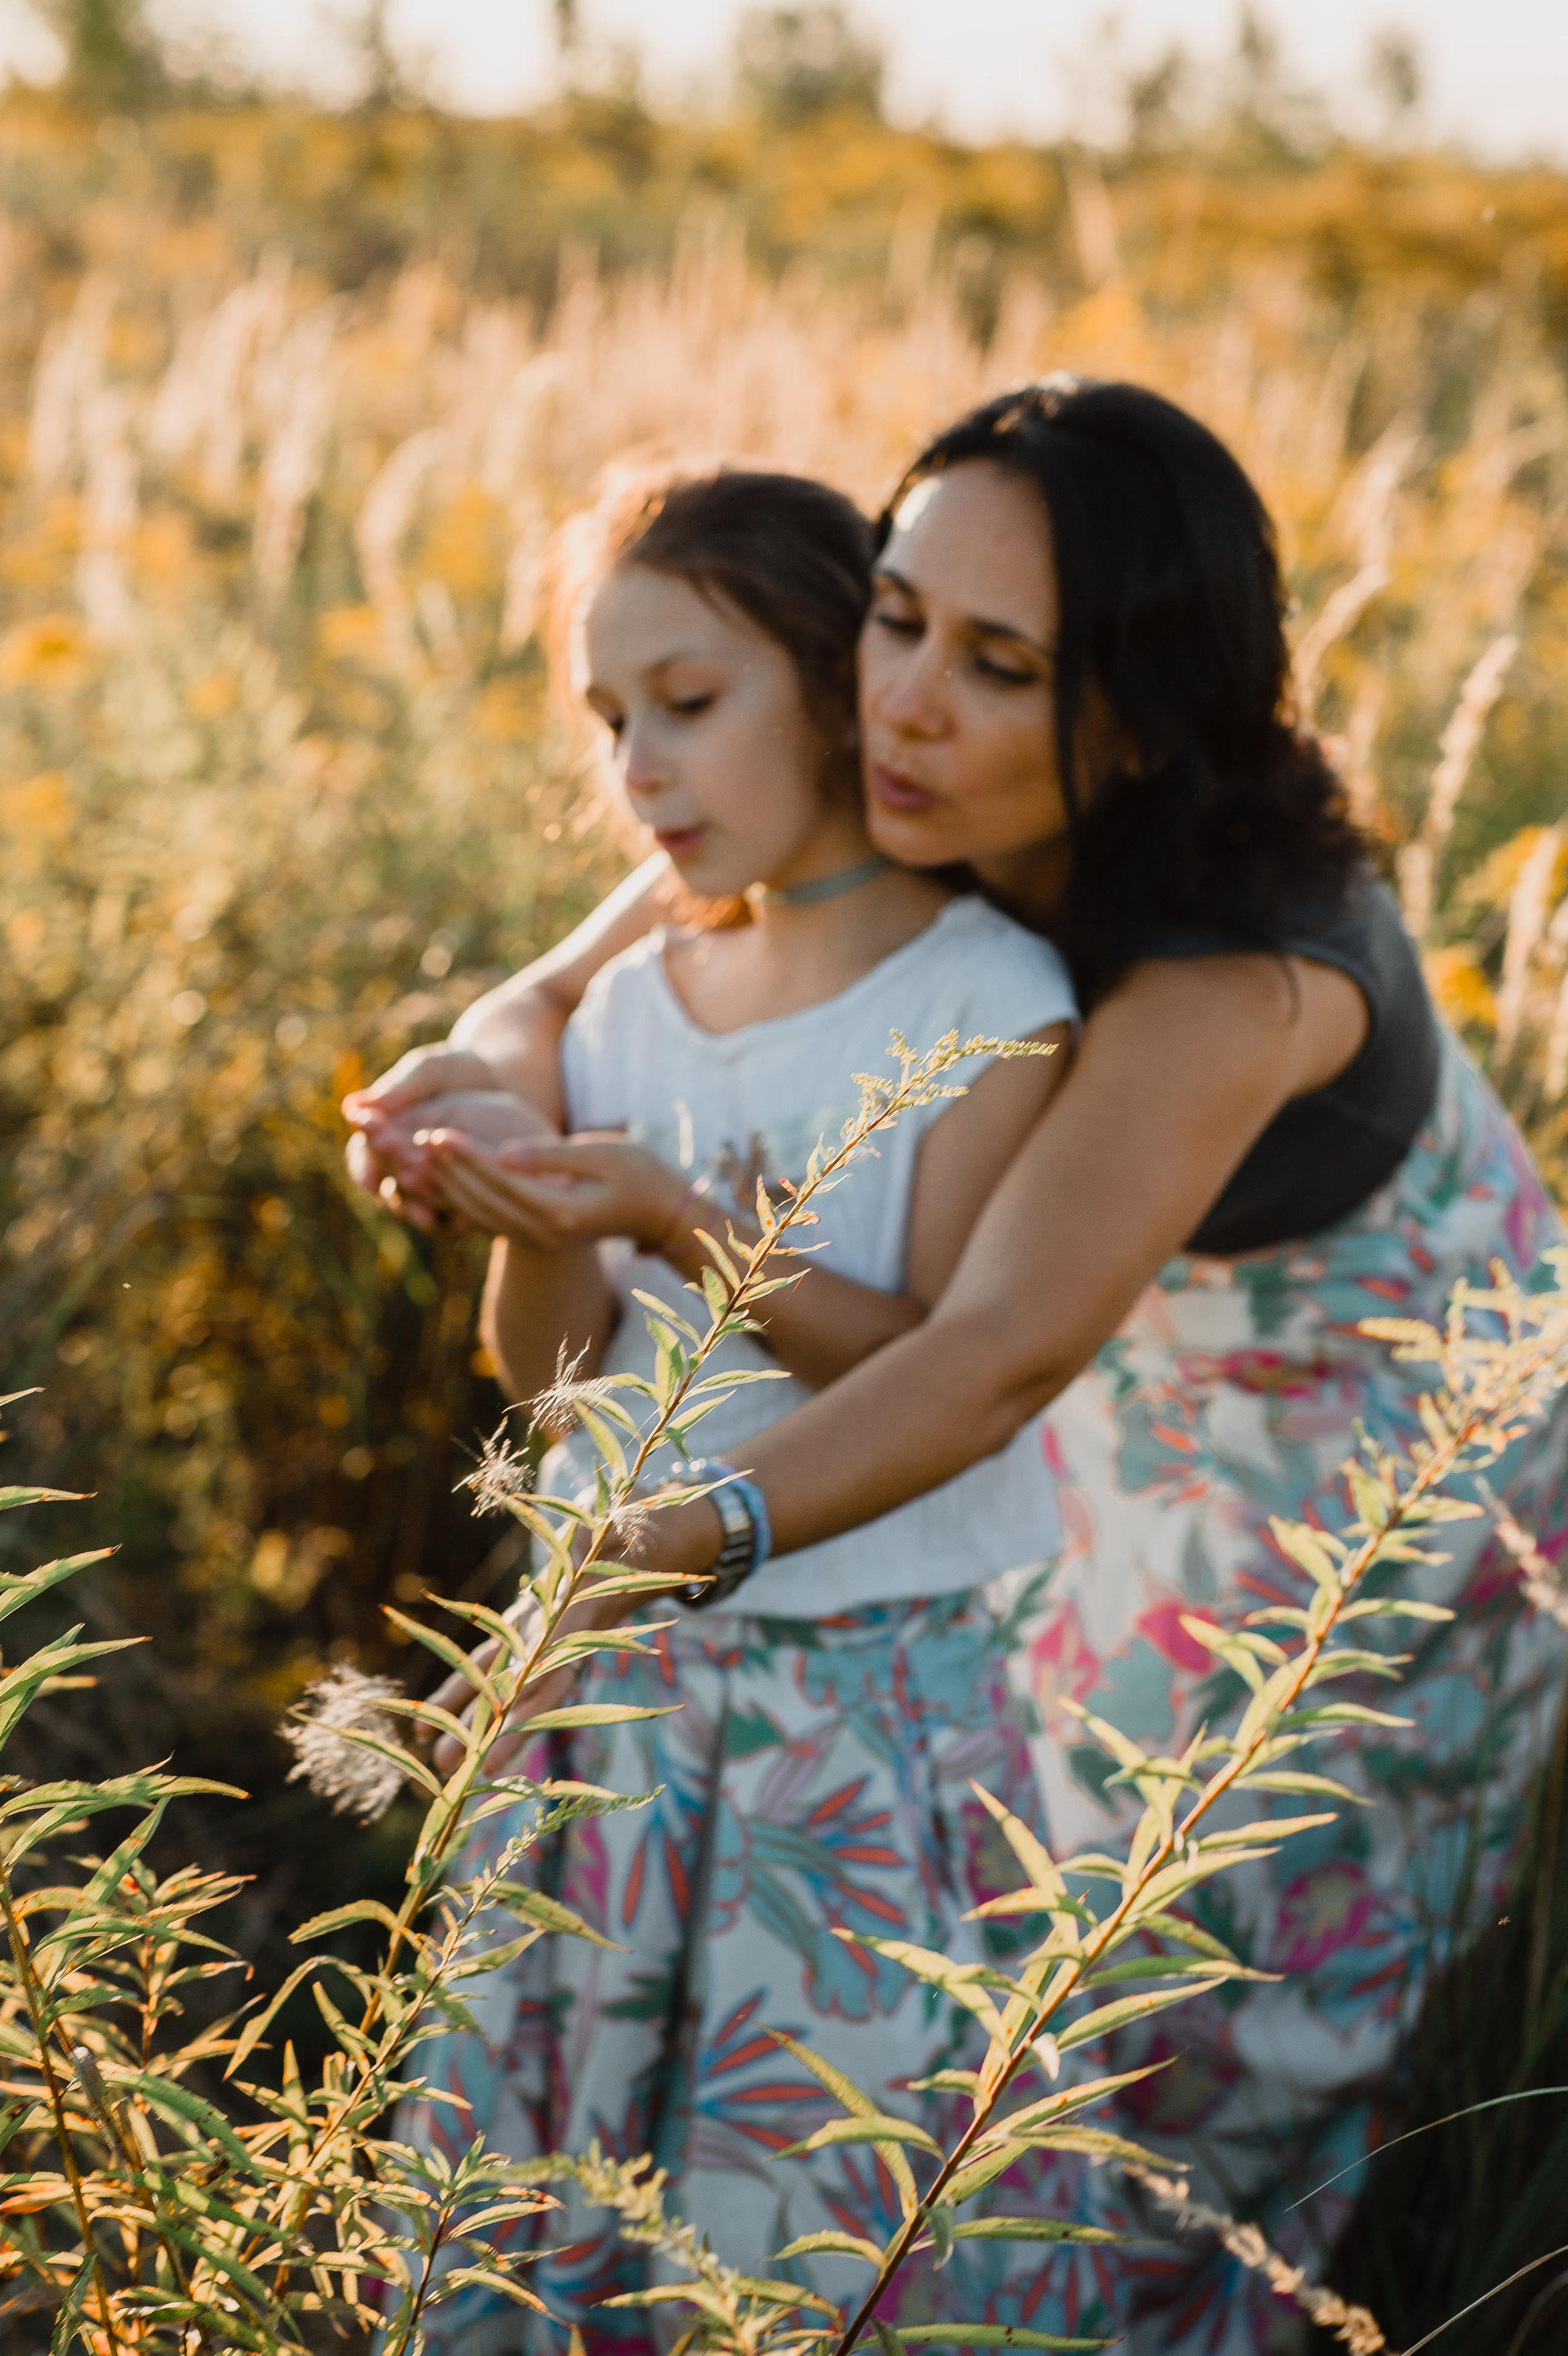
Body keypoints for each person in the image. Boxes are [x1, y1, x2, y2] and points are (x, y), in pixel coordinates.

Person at [352, 383, 1568, 2354]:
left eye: (994, 665)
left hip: (1381, 1437)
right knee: (1001, 1909)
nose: (900, 701)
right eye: (893, 617)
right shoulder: (913, 788)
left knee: (1196, 1990)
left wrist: (680, 1535)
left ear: (1139, 719)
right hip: (1079, 1366)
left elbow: (995, 1350)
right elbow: (575, 980)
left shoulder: (1230, 965)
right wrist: (468, 1097)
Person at [389, 460, 1093, 2349]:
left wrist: (684, 1225)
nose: (638, 772)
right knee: (547, 2153)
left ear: (831, 675)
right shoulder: (633, 1004)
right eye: (612, 724)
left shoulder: (988, 994)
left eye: (688, 707)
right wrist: (526, 1210)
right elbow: (545, 1380)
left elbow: (943, 1359)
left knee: (789, 2207)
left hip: (846, 1713)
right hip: (603, 1702)